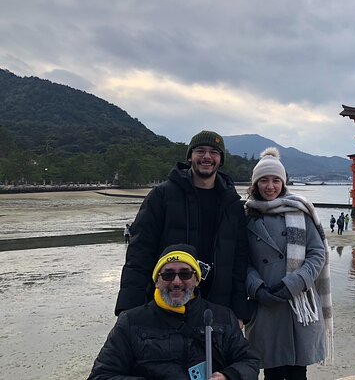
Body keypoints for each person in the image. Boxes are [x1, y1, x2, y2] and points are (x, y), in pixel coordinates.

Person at [114, 130, 250, 325]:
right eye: (200, 151)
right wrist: (128, 308)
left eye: (214, 152)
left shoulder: (233, 204)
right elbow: (139, 253)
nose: (206, 157)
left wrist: (239, 311)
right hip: (169, 301)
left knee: (214, 356)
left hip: (218, 304)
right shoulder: (162, 196)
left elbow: (239, 261)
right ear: (189, 157)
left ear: (220, 160)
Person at [89, 244, 260, 380]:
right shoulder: (131, 322)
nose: (176, 282)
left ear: (196, 280)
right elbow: (101, 375)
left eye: (185, 274)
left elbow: (249, 361)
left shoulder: (223, 317)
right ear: (157, 281)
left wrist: (227, 376)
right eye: (168, 275)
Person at [245, 148, 334, 380]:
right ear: (255, 184)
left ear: (283, 183)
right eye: (264, 180)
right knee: (272, 370)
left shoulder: (300, 211)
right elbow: (241, 260)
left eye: (276, 180)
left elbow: (317, 253)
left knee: (297, 370)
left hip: (298, 300)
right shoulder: (246, 216)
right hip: (265, 302)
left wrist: (294, 283)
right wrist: (256, 287)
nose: (270, 186)